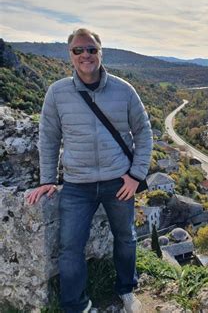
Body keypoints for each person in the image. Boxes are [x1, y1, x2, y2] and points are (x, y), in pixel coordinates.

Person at [27, 28, 152, 313]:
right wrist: (48, 179)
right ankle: (76, 306)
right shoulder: (57, 93)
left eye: (91, 49)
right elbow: (48, 138)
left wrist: (136, 176)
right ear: (70, 55)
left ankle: (126, 289)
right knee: (70, 247)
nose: (86, 55)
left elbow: (144, 133)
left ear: (100, 52)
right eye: (78, 50)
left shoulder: (124, 90)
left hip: (118, 181)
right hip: (76, 184)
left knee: (126, 237)